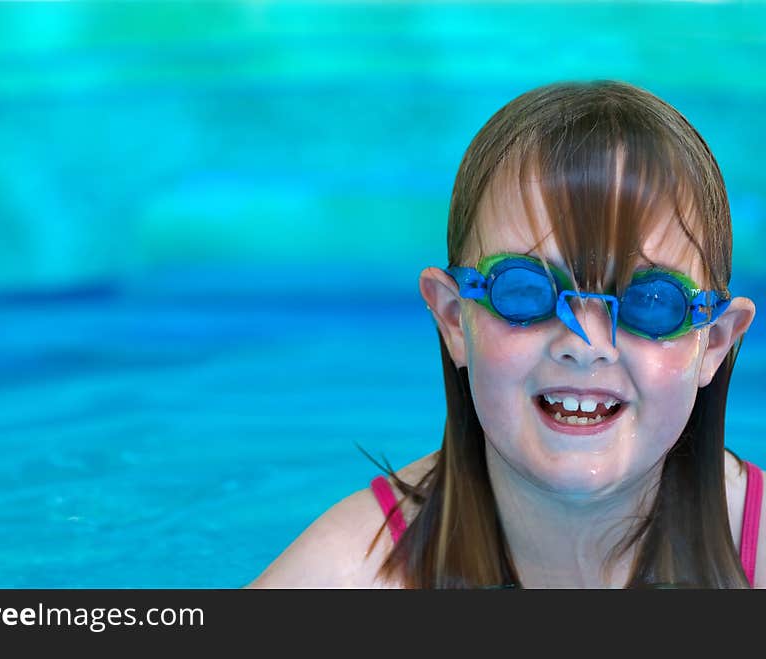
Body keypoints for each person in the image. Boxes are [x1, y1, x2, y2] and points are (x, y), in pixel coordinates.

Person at [248, 81, 763, 588]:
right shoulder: (347, 574)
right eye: (525, 291)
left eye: (652, 303)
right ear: (453, 318)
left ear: (714, 342)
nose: (584, 345)